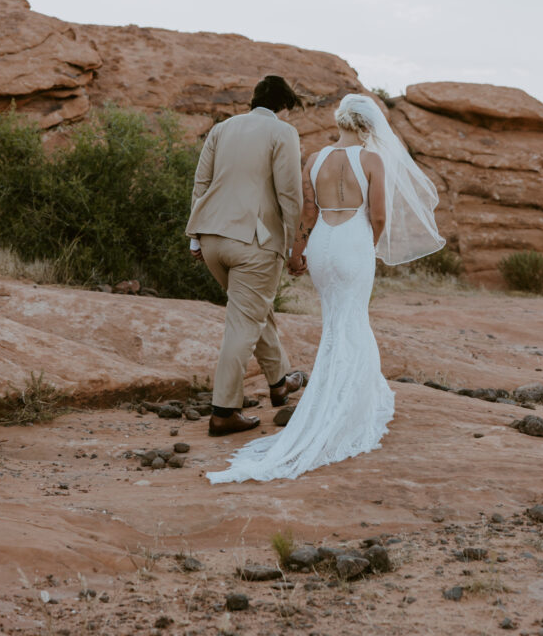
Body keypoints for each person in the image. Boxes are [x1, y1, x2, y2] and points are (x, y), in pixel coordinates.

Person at [206, 92, 445, 483]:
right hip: (353, 243)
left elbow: (308, 212)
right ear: (367, 125)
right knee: (353, 321)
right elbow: (380, 214)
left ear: (340, 122)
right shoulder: (372, 160)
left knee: (334, 322)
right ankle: (348, 404)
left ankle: (328, 398)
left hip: (321, 247)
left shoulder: (315, 159)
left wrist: (298, 252)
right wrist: (368, 245)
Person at [186, 75, 307, 437]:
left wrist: (194, 237)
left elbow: (201, 183)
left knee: (252, 310)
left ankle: (280, 380)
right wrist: (293, 246)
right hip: (253, 242)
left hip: (210, 239)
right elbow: (290, 194)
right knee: (243, 321)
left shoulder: (222, 128)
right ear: (284, 107)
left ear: (254, 100)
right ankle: (224, 411)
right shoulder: (282, 133)